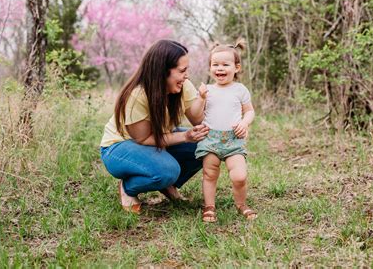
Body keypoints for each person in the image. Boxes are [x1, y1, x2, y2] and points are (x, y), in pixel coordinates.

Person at [99, 40, 209, 214]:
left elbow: (198, 120)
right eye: (182, 71)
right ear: (163, 71)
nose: (186, 76)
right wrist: (185, 136)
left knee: (205, 144)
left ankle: (166, 185)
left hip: (155, 140)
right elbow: (143, 139)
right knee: (167, 170)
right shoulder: (137, 95)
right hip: (119, 148)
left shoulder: (182, 86)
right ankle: (129, 187)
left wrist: (207, 102)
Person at [194, 38, 257, 222]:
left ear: (236, 67)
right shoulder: (208, 90)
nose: (219, 68)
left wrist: (245, 123)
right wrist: (200, 98)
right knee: (210, 174)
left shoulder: (240, 90)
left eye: (225, 64)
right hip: (211, 139)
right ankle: (209, 206)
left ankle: (241, 204)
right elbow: (197, 115)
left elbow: (250, 111)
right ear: (210, 68)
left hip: (234, 139)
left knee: (239, 176)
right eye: (215, 64)